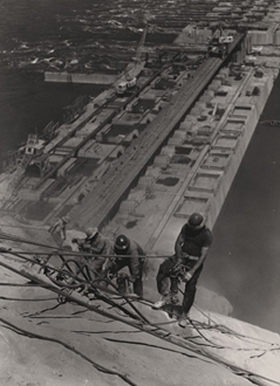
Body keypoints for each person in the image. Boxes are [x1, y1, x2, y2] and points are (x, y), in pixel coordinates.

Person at [153, 212, 213, 328]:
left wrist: (191, 272)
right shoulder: (186, 227)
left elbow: (203, 256)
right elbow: (178, 242)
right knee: (163, 270)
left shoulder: (207, 235)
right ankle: (166, 295)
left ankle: (184, 314)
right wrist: (179, 258)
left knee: (190, 287)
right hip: (182, 256)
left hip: (195, 261)